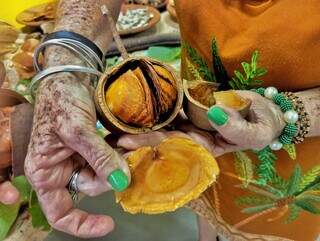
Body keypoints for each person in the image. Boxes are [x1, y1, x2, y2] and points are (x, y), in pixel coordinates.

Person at [1, 0, 320, 241]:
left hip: (300, 166)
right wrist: (65, 70)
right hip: (197, 141)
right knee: (207, 209)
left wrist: (288, 113)